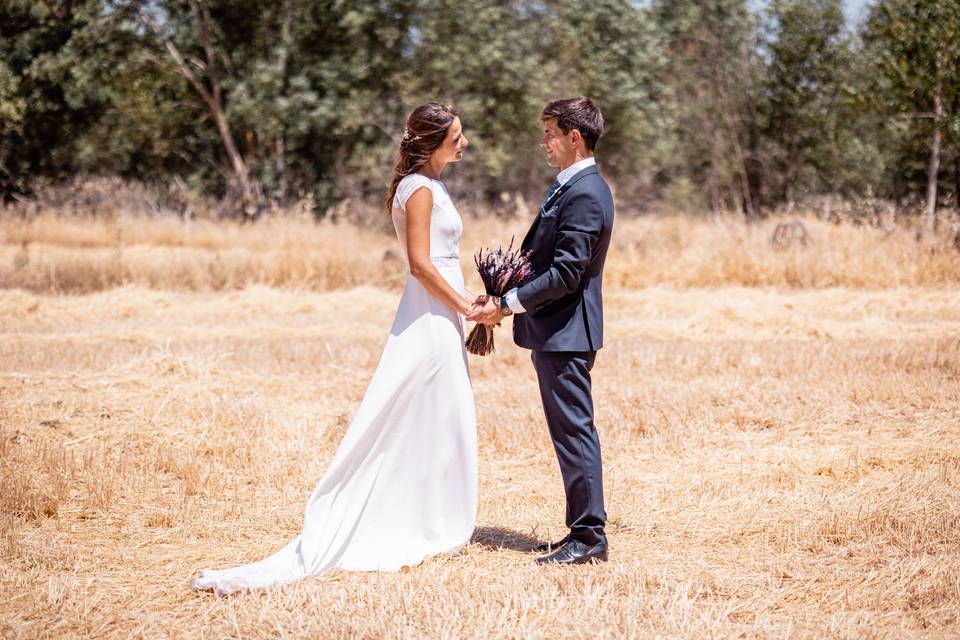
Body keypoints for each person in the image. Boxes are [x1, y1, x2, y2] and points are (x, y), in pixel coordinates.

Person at [191, 101, 483, 595]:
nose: (465, 141)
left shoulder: (434, 185)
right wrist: (466, 306)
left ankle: (429, 509)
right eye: (456, 135)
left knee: (437, 411)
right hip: (431, 313)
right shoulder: (418, 191)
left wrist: (467, 300)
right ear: (431, 141)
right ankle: (397, 514)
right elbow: (419, 265)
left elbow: (443, 259)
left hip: (445, 310)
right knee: (413, 407)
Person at [474, 96, 614, 565]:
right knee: (568, 431)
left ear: (575, 137)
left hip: (568, 333)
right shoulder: (568, 187)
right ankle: (579, 529)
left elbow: (568, 272)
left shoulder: (587, 193)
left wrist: (508, 304)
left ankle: (590, 538)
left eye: (550, 133)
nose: (543, 142)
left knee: (575, 432)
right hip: (556, 331)